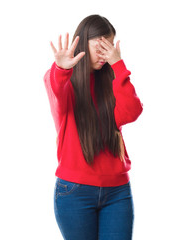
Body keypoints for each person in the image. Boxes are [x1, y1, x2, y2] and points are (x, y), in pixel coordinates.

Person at [44, 14, 143, 240]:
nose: (103, 54)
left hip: (117, 191)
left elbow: (131, 112)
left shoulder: (112, 81)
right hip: (74, 193)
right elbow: (57, 95)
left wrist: (118, 65)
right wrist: (60, 68)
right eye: (99, 46)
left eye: (108, 47)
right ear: (82, 41)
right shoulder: (61, 79)